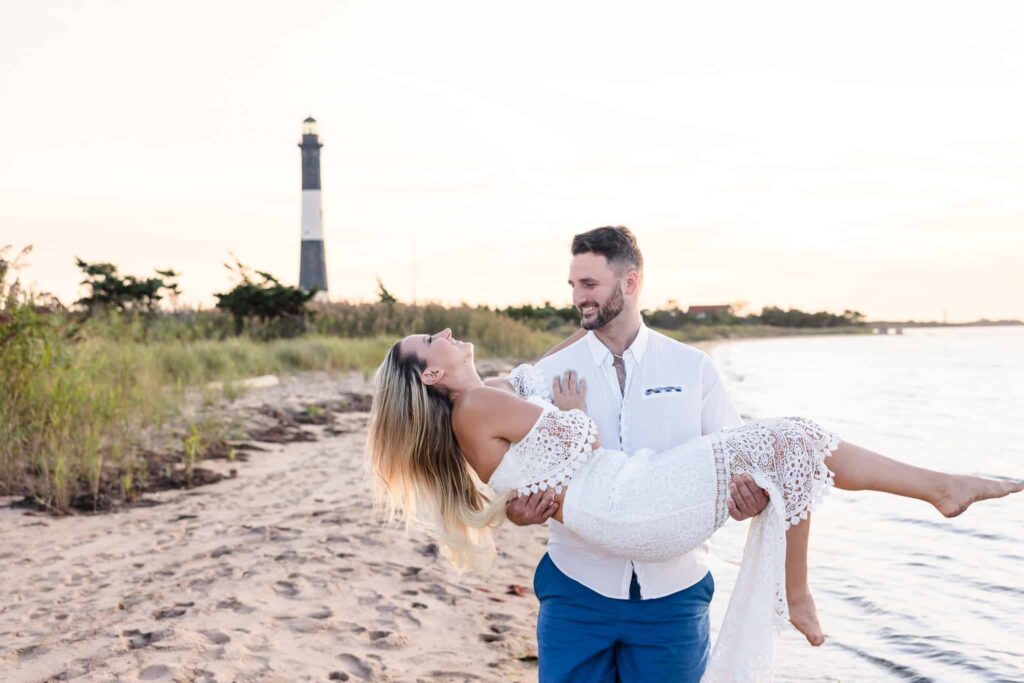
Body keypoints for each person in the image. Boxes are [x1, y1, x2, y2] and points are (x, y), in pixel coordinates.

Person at [366, 324, 1022, 680]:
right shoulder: (477, 406)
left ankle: (918, 505)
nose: (447, 330)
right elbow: (581, 432)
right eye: (432, 339)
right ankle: (915, 507)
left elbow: (533, 455)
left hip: (624, 506)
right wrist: (570, 407)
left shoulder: (490, 398)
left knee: (789, 443)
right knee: (792, 438)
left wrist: (552, 405)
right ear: (432, 373)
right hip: (626, 504)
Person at [508, 227, 766, 682]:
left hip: (674, 594)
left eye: (589, 285)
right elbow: (515, 483)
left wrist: (750, 501)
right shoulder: (547, 377)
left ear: (630, 282)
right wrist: (519, 511)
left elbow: (736, 463)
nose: (578, 298)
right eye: (573, 285)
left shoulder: (693, 369)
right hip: (575, 588)